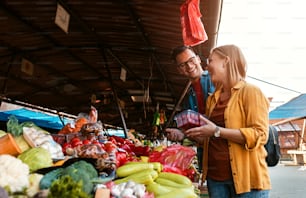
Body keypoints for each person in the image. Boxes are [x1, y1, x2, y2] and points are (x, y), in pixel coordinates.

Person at [184, 44, 271, 197]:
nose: (207, 66)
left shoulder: (250, 92)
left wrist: (217, 131)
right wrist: (198, 136)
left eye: (211, 61)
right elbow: (213, 137)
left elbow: (260, 135)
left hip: (247, 181)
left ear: (226, 61)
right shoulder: (213, 98)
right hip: (215, 179)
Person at [165, 45, 215, 170]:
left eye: (191, 60)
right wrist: (181, 133)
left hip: (224, 148)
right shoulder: (188, 95)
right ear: (179, 70)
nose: (189, 66)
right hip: (205, 152)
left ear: (198, 59)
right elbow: (192, 128)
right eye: (183, 65)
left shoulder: (215, 80)